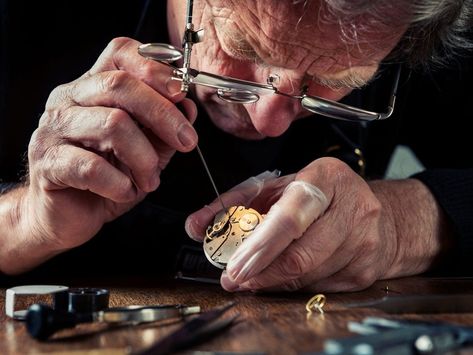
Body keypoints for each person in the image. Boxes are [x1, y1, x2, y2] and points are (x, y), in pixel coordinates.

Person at [0, 0, 472, 291]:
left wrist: (400, 224)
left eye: (333, 79)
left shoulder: (412, 21)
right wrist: (24, 221)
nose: (268, 120)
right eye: (244, 49)